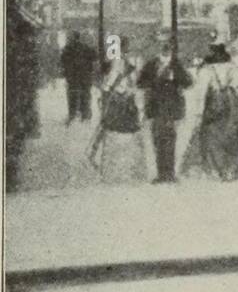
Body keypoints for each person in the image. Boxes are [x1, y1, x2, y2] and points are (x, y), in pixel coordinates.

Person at [182, 42, 238, 181]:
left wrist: (199, 113)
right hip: (231, 105)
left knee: (212, 135)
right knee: (231, 134)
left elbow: (201, 92)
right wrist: (229, 88)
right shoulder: (232, 67)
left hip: (214, 104)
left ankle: (216, 169)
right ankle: (232, 169)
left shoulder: (208, 70)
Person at [137, 33, 192, 183]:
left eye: (167, 44)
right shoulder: (151, 64)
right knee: (158, 139)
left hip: (172, 109)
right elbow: (140, 83)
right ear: (158, 46)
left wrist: (176, 78)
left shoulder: (176, 65)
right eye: (162, 44)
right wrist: (154, 81)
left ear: (172, 46)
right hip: (156, 108)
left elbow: (188, 83)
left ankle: (170, 174)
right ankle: (162, 174)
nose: (165, 47)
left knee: (170, 140)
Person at [95, 47, 147, 184]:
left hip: (116, 110)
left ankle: (111, 175)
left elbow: (106, 88)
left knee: (113, 138)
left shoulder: (115, 68)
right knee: (129, 140)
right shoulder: (130, 69)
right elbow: (136, 90)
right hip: (127, 110)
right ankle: (132, 174)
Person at [61, 30, 96, 124]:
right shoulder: (86, 47)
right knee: (85, 94)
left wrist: (67, 71)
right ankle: (85, 114)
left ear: (72, 38)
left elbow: (63, 61)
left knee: (72, 94)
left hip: (73, 76)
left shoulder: (68, 48)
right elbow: (94, 57)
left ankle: (72, 114)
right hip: (85, 76)